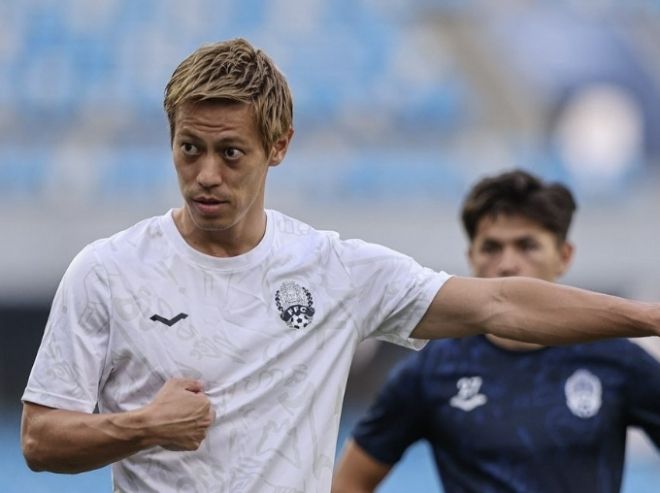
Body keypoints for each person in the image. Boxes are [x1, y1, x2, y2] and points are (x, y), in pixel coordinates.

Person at [19, 39, 659, 493]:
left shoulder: (334, 271)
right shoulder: (106, 270)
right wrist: (142, 427)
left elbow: (502, 304)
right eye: (190, 148)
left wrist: (650, 317)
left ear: (278, 146)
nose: (206, 174)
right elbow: (40, 440)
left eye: (231, 152)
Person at [332, 170, 660, 493]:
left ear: (564, 256)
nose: (507, 264)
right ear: (471, 257)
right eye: (491, 248)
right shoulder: (433, 369)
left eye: (527, 246)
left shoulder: (617, 359)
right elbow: (350, 482)